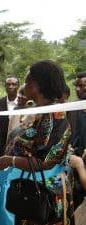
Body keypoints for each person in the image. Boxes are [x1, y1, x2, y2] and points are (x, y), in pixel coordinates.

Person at [0, 60, 74, 225]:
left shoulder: (55, 115)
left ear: (37, 85)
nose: (24, 86)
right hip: (33, 188)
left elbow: (44, 162)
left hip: (45, 194)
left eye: (27, 81)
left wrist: (10, 160)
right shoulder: (41, 113)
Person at [71, 71, 86, 210]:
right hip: (75, 165)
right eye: (76, 85)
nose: (77, 89)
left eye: (82, 86)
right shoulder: (75, 108)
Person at [0, 76, 19, 157]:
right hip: (3, 145)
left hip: (19, 144)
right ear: (5, 86)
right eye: (8, 84)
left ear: (18, 86)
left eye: (13, 84)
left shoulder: (24, 102)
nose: (10, 87)